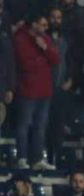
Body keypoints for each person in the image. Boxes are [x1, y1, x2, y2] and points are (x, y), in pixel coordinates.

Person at [13, 12, 60, 170]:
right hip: (27, 89)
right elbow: (26, 63)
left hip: (45, 90)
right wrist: (43, 61)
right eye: (43, 24)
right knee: (24, 125)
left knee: (41, 126)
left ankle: (37, 159)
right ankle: (22, 157)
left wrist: (45, 48)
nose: (46, 28)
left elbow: (55, 60)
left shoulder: (46, 39)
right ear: (34, 24)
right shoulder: (21, 39)